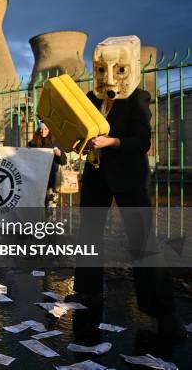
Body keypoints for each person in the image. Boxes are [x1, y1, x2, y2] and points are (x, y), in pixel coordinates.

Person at [69, 36, 186, 340]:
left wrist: (112, 142)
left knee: (143, 241)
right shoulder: (91, 99)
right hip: (96, 176)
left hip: (129, 176)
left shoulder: (138, 98)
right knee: (89, 235)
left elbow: (143, 142)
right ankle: (88, 294)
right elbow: (82, 133)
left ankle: (163, 313)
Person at [28, 122, 67, 208]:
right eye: (41, 129)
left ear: (50, 130)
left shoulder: (55, 143)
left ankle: (50, 220)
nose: (43, 131)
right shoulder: (32, 144)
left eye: (46, 129)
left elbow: (64, 161)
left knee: (50, 205)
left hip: (50, 180)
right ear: (38, 130)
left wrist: (59, 154)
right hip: (36, 179)